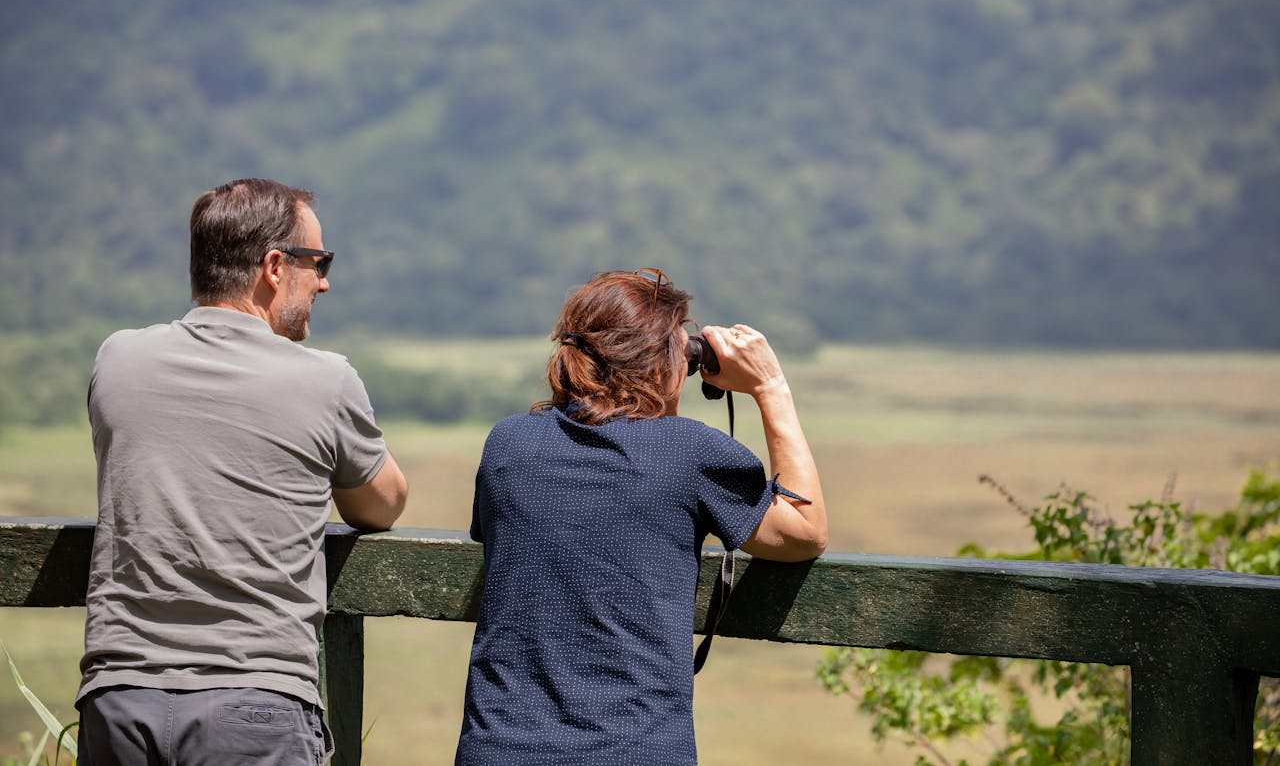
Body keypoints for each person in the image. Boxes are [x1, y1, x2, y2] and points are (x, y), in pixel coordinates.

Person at [76, 178, 409, 765]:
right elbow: (380, 505)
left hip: (119, 695)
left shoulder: (118, 358)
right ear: (275, 267)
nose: (326, 280)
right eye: (319, 261)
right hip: (257, 699)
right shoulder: (326, 380)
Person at [455, 269, 827, 765]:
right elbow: (805, 532)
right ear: (659, 362)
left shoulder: (507, 442)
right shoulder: (688, 451)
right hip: (633, 750)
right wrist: (770, 386)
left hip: (497, 746)